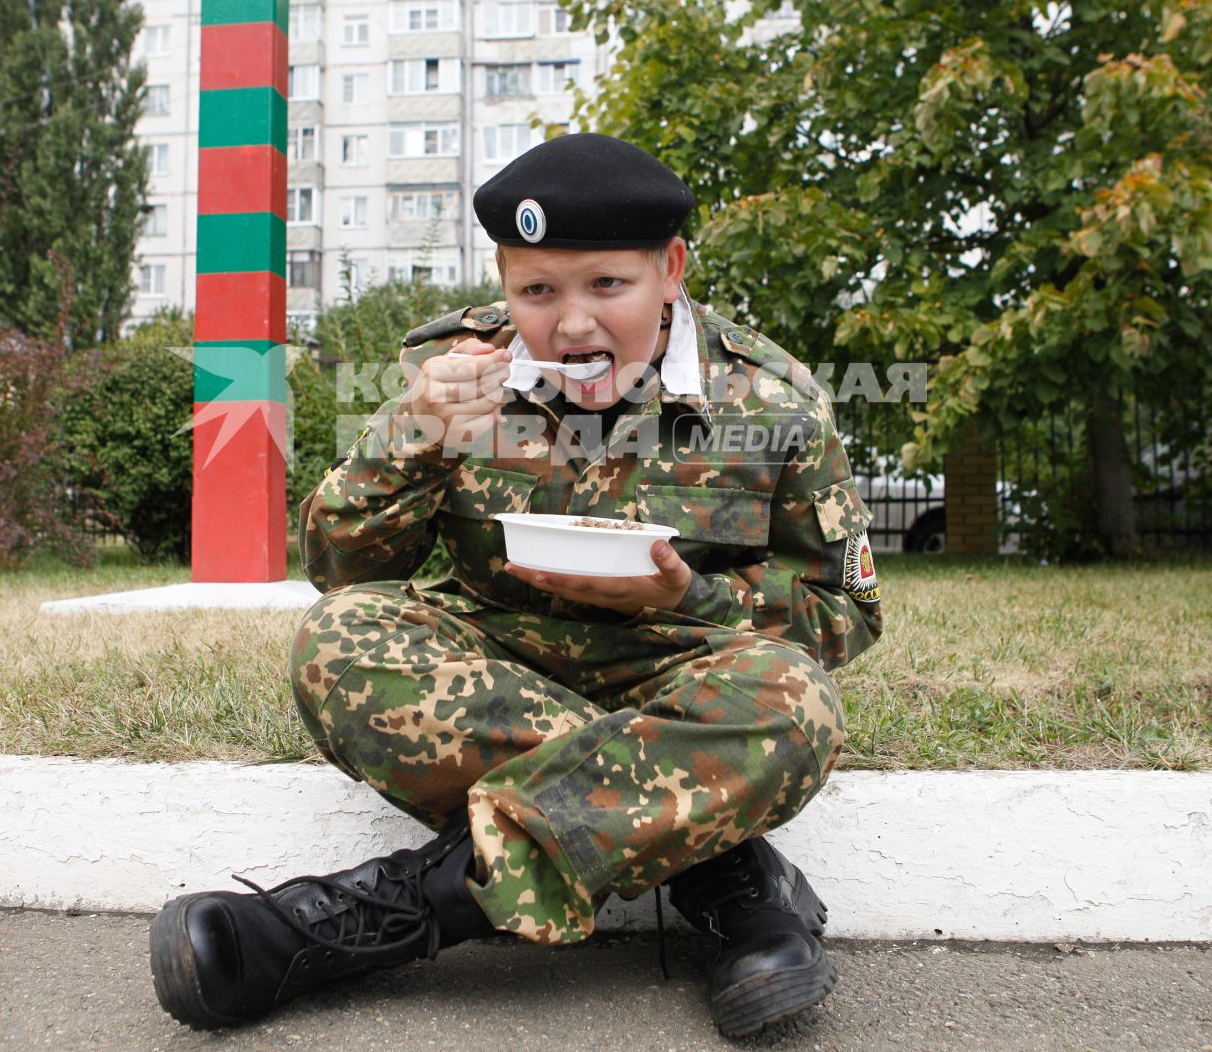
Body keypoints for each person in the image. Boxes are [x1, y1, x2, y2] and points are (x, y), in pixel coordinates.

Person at [150, 132, 883, 1039]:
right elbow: (343, 573)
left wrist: (686, 598)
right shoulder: (453, 374)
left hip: (682, 676)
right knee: (336, 640)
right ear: (505, 282)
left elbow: (846, 615)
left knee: (794, 701)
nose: (571, 325)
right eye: (537, 291)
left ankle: (385, 913)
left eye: (606, 286)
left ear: (672, 271)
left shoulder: (771, 401)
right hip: (494, 671)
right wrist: (410, 435)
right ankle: (723, 876)